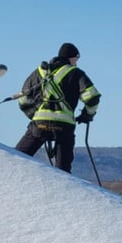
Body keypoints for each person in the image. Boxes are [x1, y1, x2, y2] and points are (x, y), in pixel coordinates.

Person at [15, 42, 101, 173]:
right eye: (76, 59)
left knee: (17, 158)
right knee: (63, 171)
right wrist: (87, 115)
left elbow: (23, 99)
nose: (76, 63)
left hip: (39, 125)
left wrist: (35, 115)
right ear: (70, 58)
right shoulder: (76, 73)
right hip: (64, 127)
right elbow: (92, 97)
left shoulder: (39, 73)